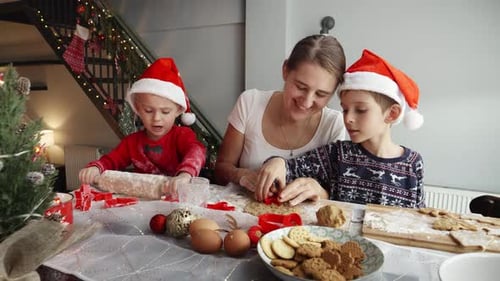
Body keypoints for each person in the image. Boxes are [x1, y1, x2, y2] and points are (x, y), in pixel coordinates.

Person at [255, 49, 425, 208]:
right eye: (345, 109)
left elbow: (420, 219)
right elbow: (290, 168)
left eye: (360, 110)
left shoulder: (413, 164)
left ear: (392, 114)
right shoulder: (337, 154)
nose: (348, 118)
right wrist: (277, 162)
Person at [214, 34, 347, 193]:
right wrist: (241, 175)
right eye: (301, 87)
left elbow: (335, 194)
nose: (306, 102)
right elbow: (220, 170)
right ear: (285, 70)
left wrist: (318, 191)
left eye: (321, 94)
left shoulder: (333, 124)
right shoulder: (250, 102)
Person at [79, 58, 206, 196]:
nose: (157, 118)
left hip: (175, 199)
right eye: (148, 111)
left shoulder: (182, 135)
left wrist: (185, 175)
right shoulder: (132, 143)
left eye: (165, 112)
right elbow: (111, 160)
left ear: (178, 110)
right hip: (143, 201)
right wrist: (96, 168)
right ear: (138, 110)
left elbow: (197, 151)